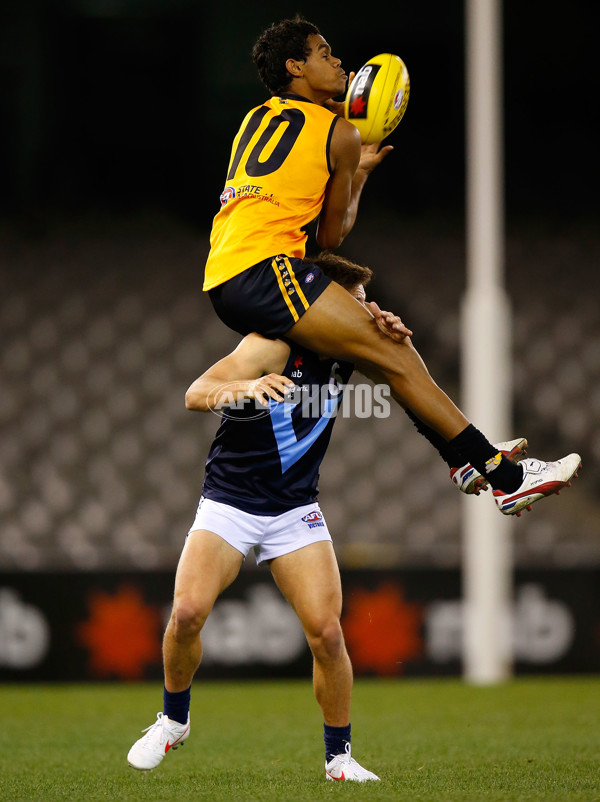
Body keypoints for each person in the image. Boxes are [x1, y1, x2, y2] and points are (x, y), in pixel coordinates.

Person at [202, 15, 580, 516]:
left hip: (224, 273)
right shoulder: (338, 134)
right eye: (323, 53)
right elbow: (331, 235)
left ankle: (465, 459)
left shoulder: (255, 118)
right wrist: (355, 175)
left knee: (385, 356)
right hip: (265, 269)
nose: (338, 61)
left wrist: (351, 147)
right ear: (296, 67)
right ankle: (505, 477)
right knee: (394, 355)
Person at [128, 254, 407, 782]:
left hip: (294, 508)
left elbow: (407, 375)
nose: (366, 311)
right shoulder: (271, 344)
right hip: (230, 500)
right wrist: (245, 390)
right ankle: (173, 720)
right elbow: (195, 393)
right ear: (322, 304)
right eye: (357, 303)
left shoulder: (353, 348)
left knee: (327, 635)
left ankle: (339, 759)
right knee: (186, 613)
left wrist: (395, 334)